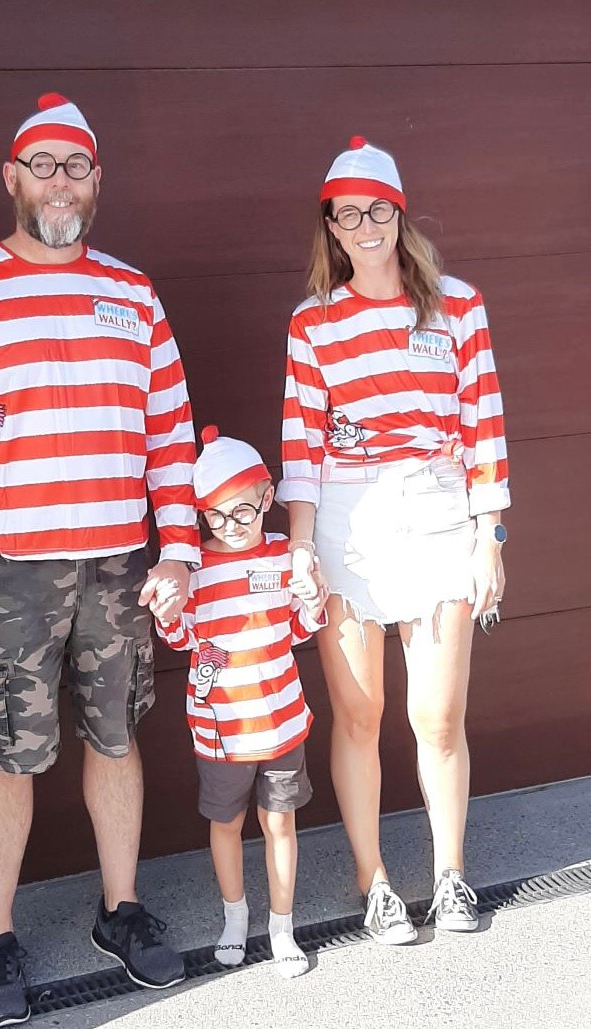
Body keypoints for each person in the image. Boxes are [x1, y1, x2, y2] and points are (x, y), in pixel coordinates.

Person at [0, 93, 199, 1027]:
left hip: (119, 564)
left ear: (96, 181)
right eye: (43, 165)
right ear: (12, 178)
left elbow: (170, 434)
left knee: (116, 740)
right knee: (8, 755)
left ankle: (121, 909)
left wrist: (181, 549)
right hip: (9, 569)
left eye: (76, 167)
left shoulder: (133, 293)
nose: (60, 183)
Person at [278, 136, 510, 943]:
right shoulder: (313, 322)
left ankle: (451, 875)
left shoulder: (458, 306)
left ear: (399, 212)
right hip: (349, 515)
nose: (365, 225)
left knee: (438, 715)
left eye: (378, 208)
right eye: (348, 214)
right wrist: (301, 547)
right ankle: (372, 879)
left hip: (440, 509)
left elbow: (484, 427)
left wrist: (490, 536)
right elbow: (301, 446)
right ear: (331, 226)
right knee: (359, 711)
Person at [155, 427, 329, 978]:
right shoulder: (194, 570)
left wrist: (313, 600)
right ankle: (235, 916)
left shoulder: (284, 556)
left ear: (268, 497)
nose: (230, 526)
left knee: (280, 825)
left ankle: (282, 925)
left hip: (280, 720)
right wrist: (167, 615)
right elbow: (182, 640)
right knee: (225, 823)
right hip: (219, 729)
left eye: (243, 512)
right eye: (215, 516)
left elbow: (298, 631)